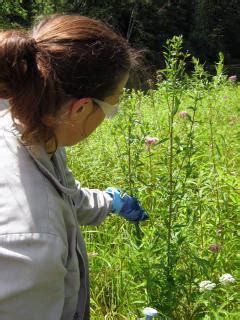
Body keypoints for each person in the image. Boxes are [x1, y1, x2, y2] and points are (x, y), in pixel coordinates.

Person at [0, 14, 148, 320]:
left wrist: (110, 202)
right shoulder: (33, 243)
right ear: (79, 108)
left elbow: (67, 195)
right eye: (112, 106)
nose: (112, 114)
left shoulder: (31, 129)